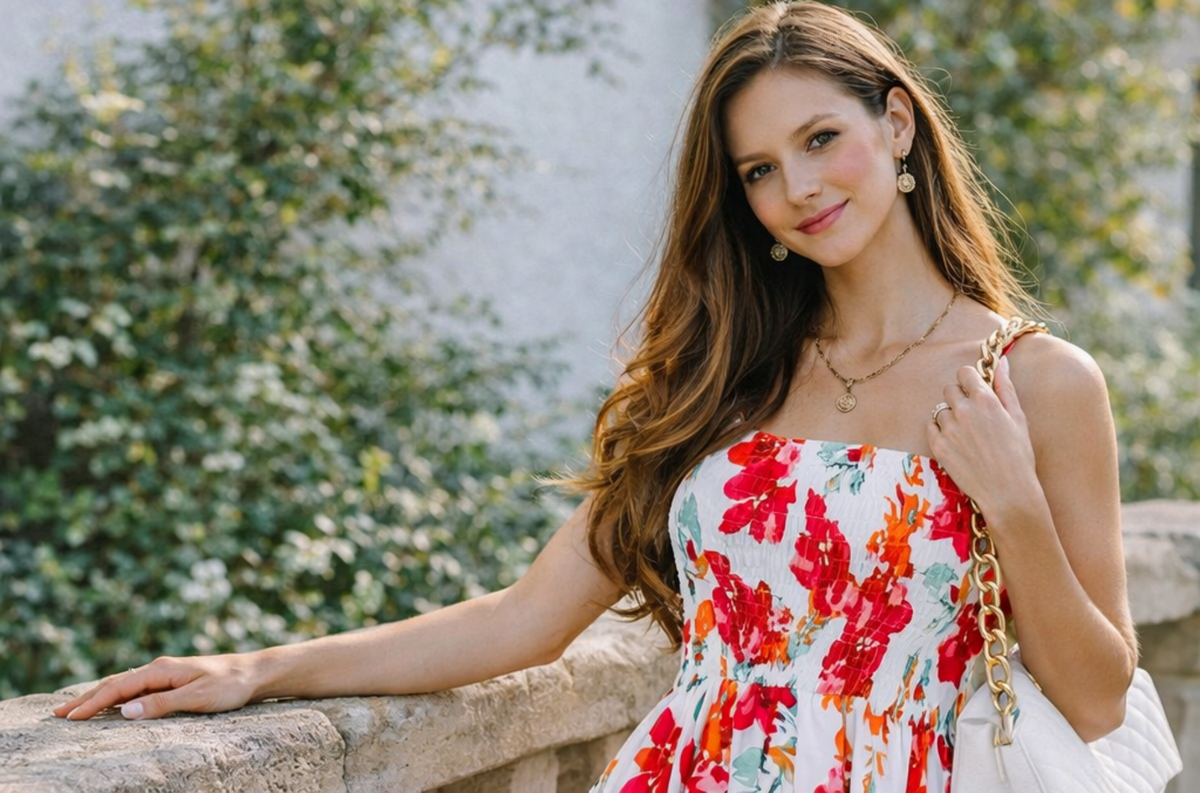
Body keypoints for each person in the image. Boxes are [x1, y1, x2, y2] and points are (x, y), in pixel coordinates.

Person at [55, 2, 1137, 790]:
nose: (799, 187)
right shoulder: (725, 375)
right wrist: (257, 668)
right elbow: (525, 618)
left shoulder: (1040, 381)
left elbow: (1097, 699)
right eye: (759, 170)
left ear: (896, 124)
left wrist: (1014, 503)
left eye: (820, 140)